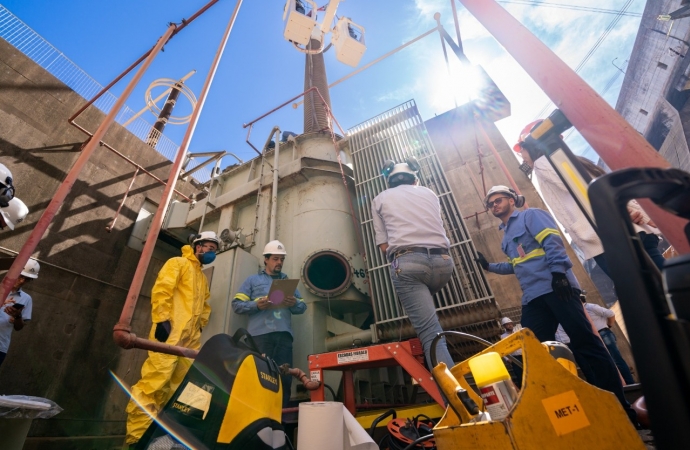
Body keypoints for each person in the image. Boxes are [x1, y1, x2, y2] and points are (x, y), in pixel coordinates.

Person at [475, 185, 636, 423]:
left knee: (586, 344)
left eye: (498, 200)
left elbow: (552, 240)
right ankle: (563, 410)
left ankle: (619, 410)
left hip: (555, 287)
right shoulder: (506, 236)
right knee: (532, 353)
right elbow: (516, 264)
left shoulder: (531, 216)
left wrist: (560, 274)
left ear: (511, 200)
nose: (494, 205)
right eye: (490, 204)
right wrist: (489, 267)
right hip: (533, 297)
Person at [514, 121, 664, 272]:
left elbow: (584, 190)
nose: (522, 156)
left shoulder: (543, 163)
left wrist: (624, 211)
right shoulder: (568, 159)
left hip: (611, 238)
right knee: (667, 283)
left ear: (533, 145)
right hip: (626, 231)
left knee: (651, 290)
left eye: (522, 150)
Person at [125, 231, 218, 445]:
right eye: (210, 248)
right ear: (198, 246)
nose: (212, 253)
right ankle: (137, 439)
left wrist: (201, 326)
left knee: (181, 391)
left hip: (189, 342)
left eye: (215, 250)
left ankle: (163, 439)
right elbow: (162, 289)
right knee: (154, 384)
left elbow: (204, 306)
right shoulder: (178, 263)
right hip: (169, 335)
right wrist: (161, 320)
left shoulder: (202, 278)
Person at [371, 159, 455, 371]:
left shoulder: (380, 199)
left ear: (389, 182)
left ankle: (454, 399)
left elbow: (383, 245)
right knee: (430, 321)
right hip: (444, 263)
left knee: (431, 334)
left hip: (408, 264)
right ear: (414, 179)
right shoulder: (430, 194)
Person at [232, 240, 306, 407]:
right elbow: (236, 305)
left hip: (284, 337)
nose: (279, 262)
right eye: (275, 259)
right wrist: (256, 305)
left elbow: (302, 307)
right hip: (260, 337)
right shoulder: (252, 281)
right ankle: (258, 416)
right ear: (265, 259)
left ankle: (281, 418)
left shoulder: (288, 283)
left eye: (281, 259)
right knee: (259, 376)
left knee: (284, 378)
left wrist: (294, 303)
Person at [581, 294, 635, 384]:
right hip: (594, 338)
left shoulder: (590, 307)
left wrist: (609, 325)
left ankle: (630, 383)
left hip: (603, 334)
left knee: (616, 360)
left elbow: (610, 314)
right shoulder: (580, 312)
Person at [0, 258, 39, 367]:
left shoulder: (26, 299)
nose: (22, 281)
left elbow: (19, 327)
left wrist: (18, 316)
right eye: (21, 276)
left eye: (27, 279)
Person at [500, 317, 523, 388]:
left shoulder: (518, 332)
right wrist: (507, 359)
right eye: (507, 324)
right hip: (514, 359)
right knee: (519, 375)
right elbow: (503, 350)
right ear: (504, 326)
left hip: (523, 356)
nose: (510, 325)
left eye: (510, 324)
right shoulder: (503, 337)